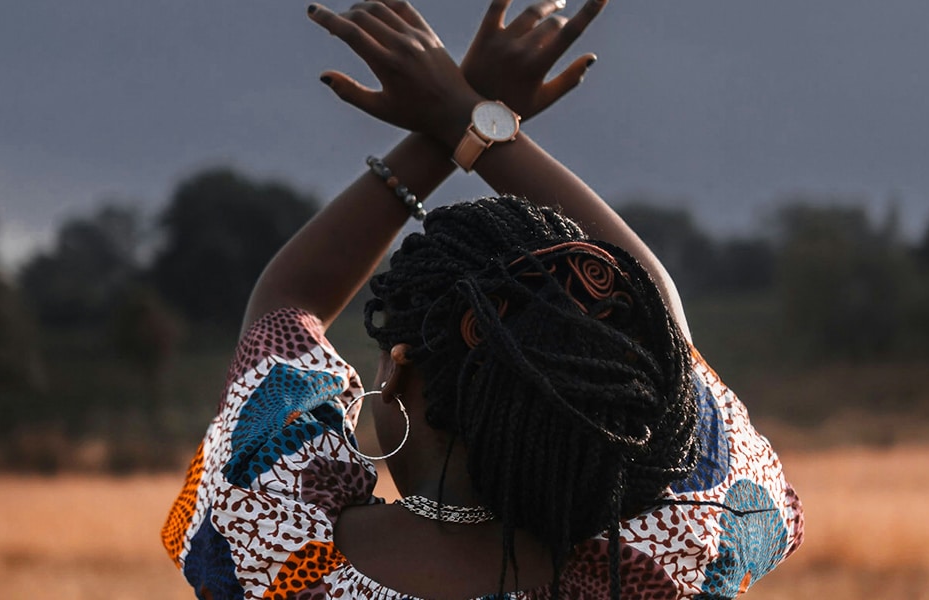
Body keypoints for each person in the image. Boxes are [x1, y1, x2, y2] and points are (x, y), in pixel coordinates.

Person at [161, 1, 804, 598]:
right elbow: (659, 326)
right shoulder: (662, 560)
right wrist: (469, 118)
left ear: (399, 366)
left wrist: (444, 127)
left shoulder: (272, 548)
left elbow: (286, 300)